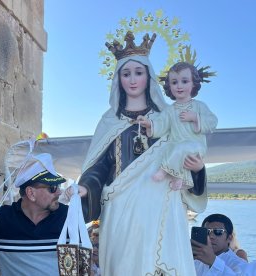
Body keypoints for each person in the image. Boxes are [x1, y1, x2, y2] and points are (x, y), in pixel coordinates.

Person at [77, 31, 208, 275]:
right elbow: (99, 166)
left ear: (149, 77)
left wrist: (198, 170)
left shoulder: (168, 117)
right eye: (126, 74)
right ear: (118, 78)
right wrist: (85, 187)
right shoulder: (108, 122)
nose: (133, 80)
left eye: (139, 73)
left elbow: (187, 147)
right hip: (120, 208)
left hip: (162, 206)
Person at [138, 62, 218, 190]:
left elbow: (213, 121)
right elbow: (161, 124)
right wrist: (150, 124)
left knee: (183, 147)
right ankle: (180, 179)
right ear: (169, 86)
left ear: (193, 83)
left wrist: (195, 117)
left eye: (184, 81)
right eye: (174, 82)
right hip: (175, 146)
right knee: (173, 149)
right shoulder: (170, 110)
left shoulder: (199, 106)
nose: (179, 86)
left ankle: (164, 171)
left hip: (195, 146)